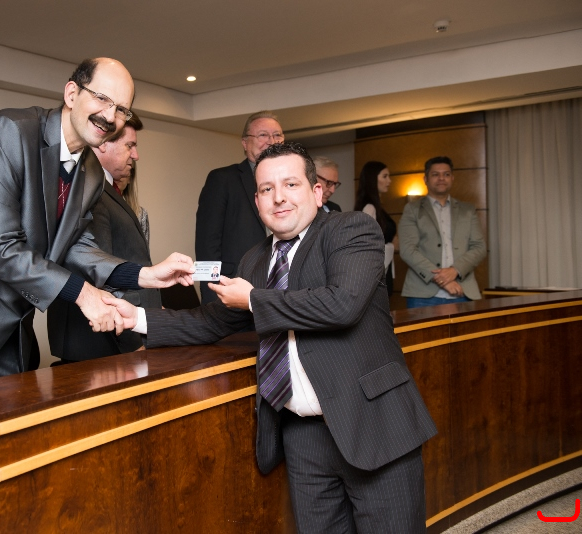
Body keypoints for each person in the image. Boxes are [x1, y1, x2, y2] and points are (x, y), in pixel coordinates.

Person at [106, 142, 436, 533]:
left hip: (372, 424)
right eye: (266, 189)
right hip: (302, 435)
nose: (278, 197)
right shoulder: (255, 259)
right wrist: (138, 318)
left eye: (291, 184)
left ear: (316, 191)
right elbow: (214, 322)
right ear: (257, 201)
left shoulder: (350, 230)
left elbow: (342, 304)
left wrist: (253, 299)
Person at [0, 58, 193, 398]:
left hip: (5, 329)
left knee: (8, 430)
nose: (110, 116)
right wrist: (84, 294)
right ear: (72, 93)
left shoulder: (91, 172)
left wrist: (145, 275)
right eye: (102, 98)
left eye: (121, 110)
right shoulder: (9, 132)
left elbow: (77, 247)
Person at [47, 112, 162, 362]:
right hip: (105, 340)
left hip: (117, 335)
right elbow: (98, 272)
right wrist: (134, 339)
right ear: (103, 144)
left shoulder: (107, 190)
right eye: (129, 145)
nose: (135, 155)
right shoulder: (92, 192)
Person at [195, 111, 284, 304]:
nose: (271, 141)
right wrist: (211, 295)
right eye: (263, 135)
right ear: (245, 143)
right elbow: (206, 244)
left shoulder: (291, 183)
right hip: (233, 288)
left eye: (277, 135)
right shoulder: (222, 179)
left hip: (281, 290)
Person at [399, 156, 487, 308]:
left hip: (462, 292)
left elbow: (479, 247)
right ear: (425, 179)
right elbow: (408, 250)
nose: (441, 178)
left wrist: (455, 270)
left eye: (446, 174)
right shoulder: (412, 209)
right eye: (435, 174)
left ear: (452, 178)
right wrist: (442, 279)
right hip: (422, 295)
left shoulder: (468, 210)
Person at [355, 161, 396, 296]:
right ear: (372, 179)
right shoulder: (369, 207)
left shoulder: (378, 207)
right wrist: (392, 246)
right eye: (385, 176)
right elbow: (365, 244)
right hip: (375, 271)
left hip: (383, 267)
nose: (389, 181)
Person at [114, 163, 150, 246]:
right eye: (117, 169)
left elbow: (143, 252)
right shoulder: (95, 207)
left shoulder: (141, 214)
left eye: (124, 169)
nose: (120, 174)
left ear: (130, 177)